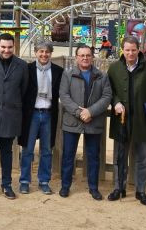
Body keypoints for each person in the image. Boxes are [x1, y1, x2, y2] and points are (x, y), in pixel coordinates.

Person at [107, 35, 146, 206]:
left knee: (143, 157)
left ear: (139, 50)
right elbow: (108, 90)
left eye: (133, 50)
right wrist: (116, 102)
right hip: (121, 120)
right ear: (122, 50)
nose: (130, 53)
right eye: (127, 50)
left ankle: (141, 190)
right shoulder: (114, 68)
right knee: (119, 157)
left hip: (142, 119)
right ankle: (119, 188)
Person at [59, 44, 112, 200]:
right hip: (72, 121)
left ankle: (93, 188)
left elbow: (106, 97)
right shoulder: (68, 75)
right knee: (68, 155)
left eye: (88, 55)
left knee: (93, 156)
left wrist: (91, 112)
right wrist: (78, 112)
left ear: (92, 57)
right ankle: (65, 186)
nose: (85, 58)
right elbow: (64, 96)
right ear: (76, 57)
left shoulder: (102, 76)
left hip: (93, 121)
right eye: (81, 55)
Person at [0, 33, 28, 200]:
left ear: (13, 47)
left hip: (11, 114)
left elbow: (23, 90)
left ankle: (7, 184)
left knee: (8, 152)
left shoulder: (22, 66)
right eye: (3, 47)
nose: (6, 50)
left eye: (9, 47)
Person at [18, 41, 63, 195]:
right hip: (32, 114)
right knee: (27, 149)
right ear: (35, 52)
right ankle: (24, 180)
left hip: (49, 113)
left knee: (46, 150)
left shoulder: (58, 71)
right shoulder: (27, 69)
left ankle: (44, 180)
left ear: (51, 53)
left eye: (47, 52)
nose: (44, 54)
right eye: (41, 51)